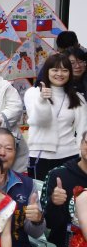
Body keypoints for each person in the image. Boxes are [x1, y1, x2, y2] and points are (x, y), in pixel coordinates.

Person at [25, 53, 87, 181]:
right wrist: (42, 100)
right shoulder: (33, 93)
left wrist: (81, 155)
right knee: (41, 195)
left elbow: (83, 129)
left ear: (70, 73)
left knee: (68, 196)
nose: (60, 74)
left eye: (65, 70)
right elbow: (39, 121)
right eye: (55, 70)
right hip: (39, 156)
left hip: (69, 155)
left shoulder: (77, 97)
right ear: (47, 71)